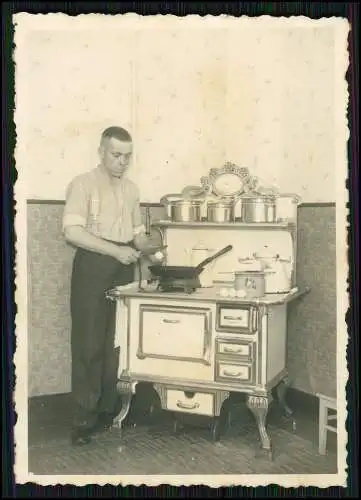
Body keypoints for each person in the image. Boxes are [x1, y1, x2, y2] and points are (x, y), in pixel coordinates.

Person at [63, 126, 159, 446]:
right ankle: (83, 419)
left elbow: (137, 235)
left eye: (127, 156)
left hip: (123, 268)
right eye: (116, 155)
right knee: (89, 342)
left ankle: (109, 410)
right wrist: (117, 251)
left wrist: (154, 248)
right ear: (101, 152)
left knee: (116, 342)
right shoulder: (82, 184)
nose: (122, 162)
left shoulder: (132, 189)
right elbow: (73, 233)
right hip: (93, 264)